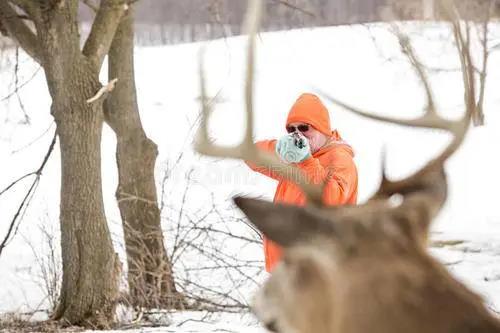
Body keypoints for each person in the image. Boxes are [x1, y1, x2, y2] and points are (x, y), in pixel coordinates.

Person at [245, 93, 358, 272]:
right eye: (292, 130)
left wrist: (306, 161)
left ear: (323, 129)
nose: (298, 135)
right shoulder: (295, 156)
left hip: (317, 271)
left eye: (304, 128)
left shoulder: (339, 159)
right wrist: (280, 147)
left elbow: (330, 200)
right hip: (286, 271)